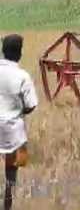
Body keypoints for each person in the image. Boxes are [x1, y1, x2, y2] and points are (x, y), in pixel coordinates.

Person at [0, 34, 38, 210]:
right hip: (14, 132)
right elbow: (31, 105)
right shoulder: (23, 76)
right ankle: (8, 204)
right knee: (14, 168)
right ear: (20, 53)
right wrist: (18, 110)